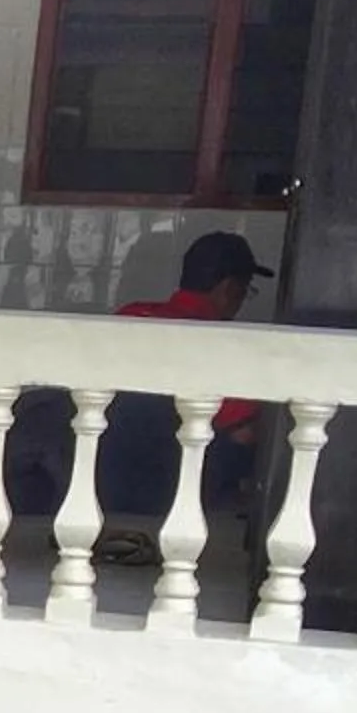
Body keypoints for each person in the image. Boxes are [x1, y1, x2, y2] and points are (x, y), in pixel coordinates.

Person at [91, 232, 274, 563]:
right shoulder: (224, 345)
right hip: (171, 498)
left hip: (96, 484)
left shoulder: (130, 316)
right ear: (228, 289)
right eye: (245, 291)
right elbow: (245, 435)